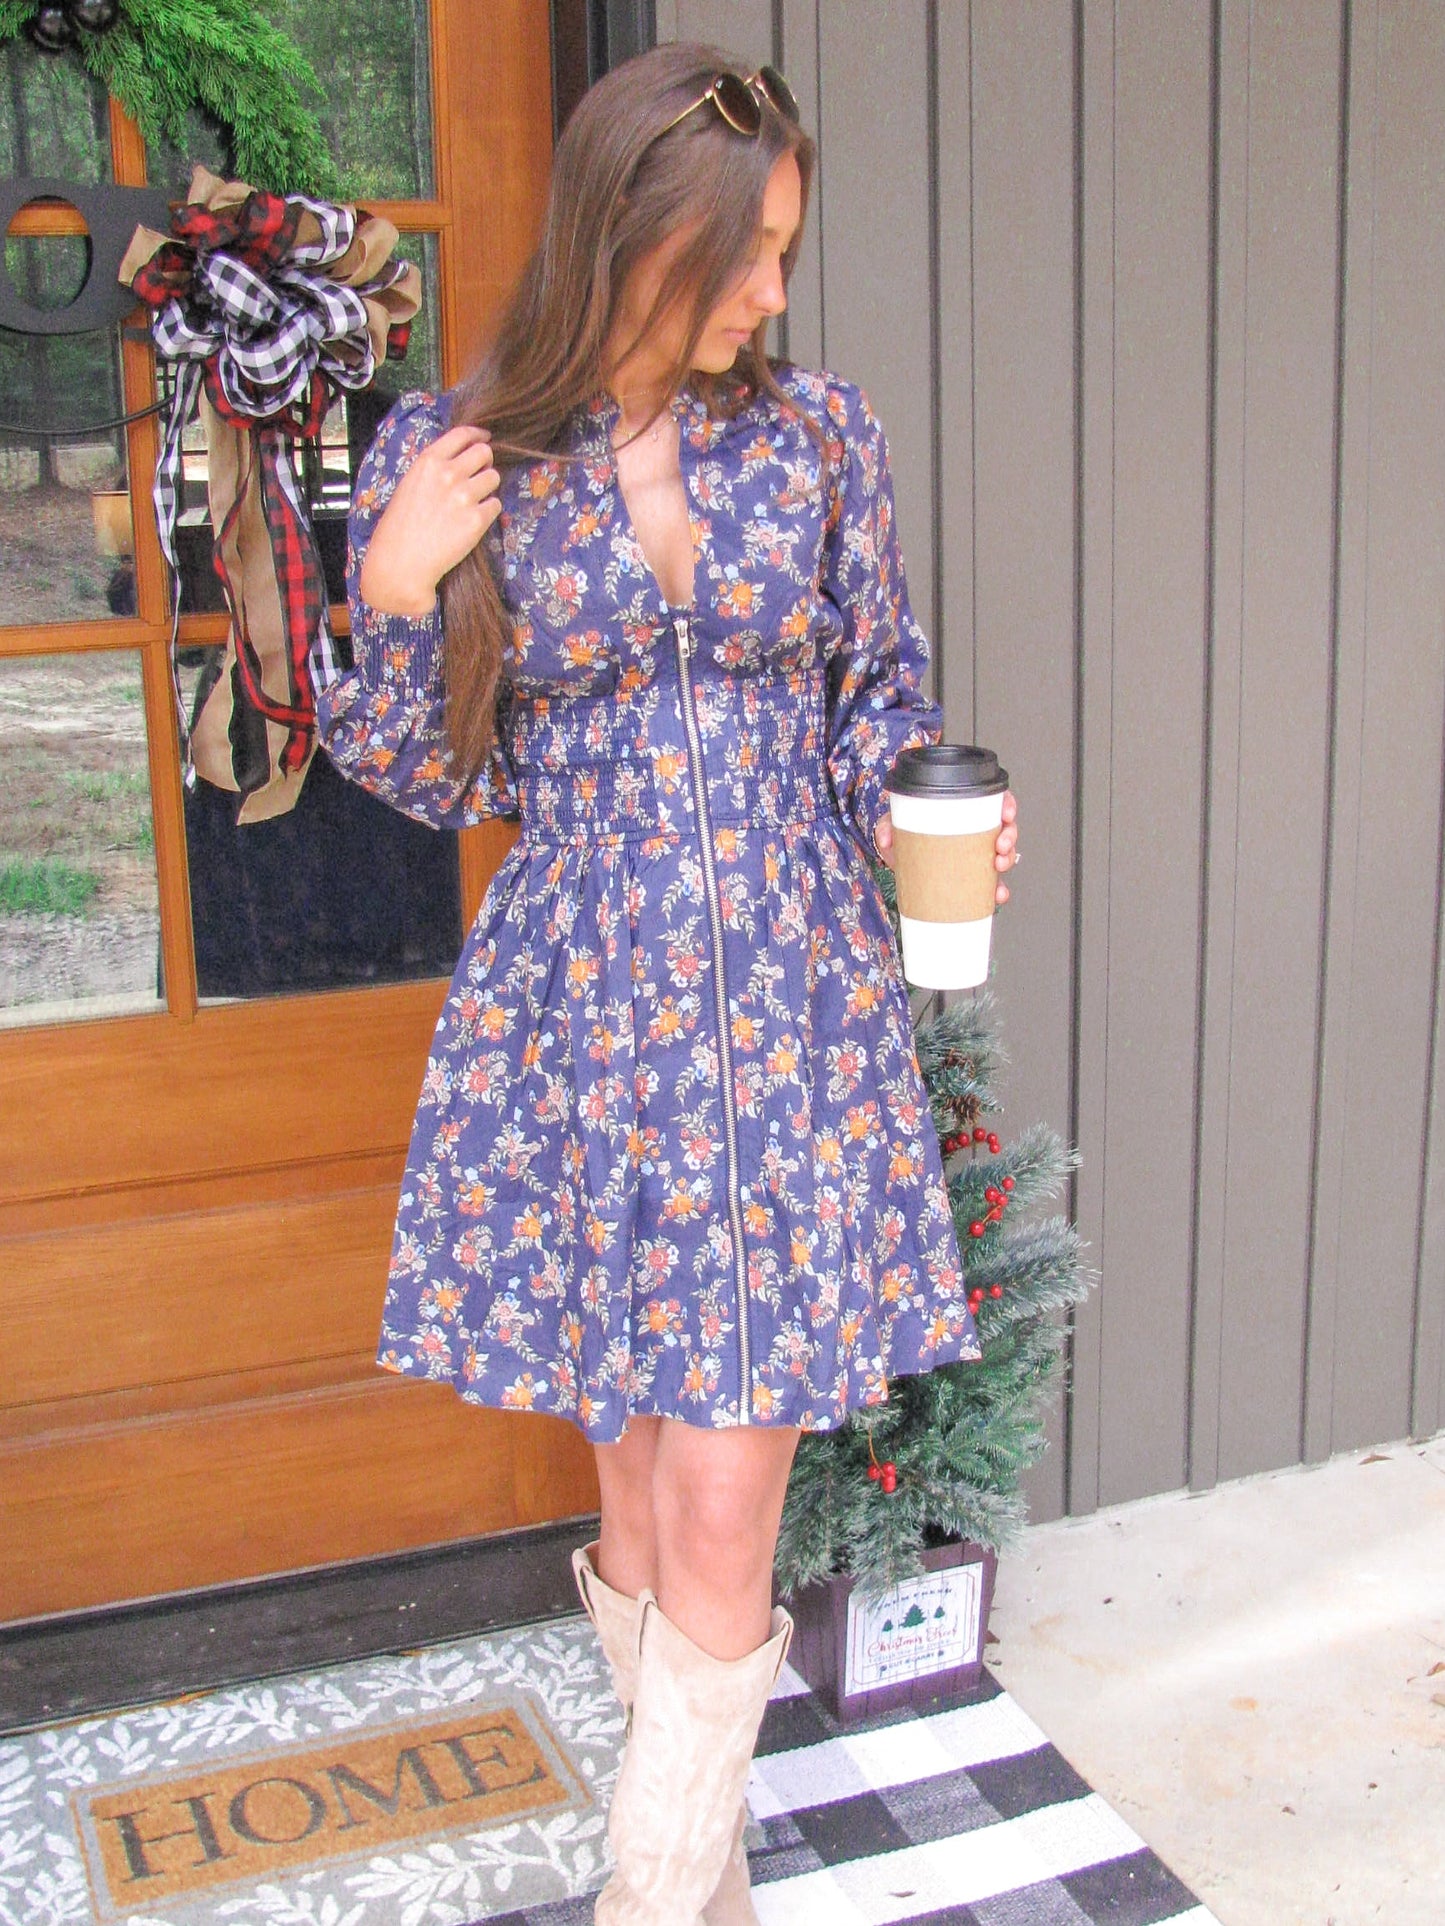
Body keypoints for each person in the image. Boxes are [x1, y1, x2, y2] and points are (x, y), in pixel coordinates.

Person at [317, 41, 1020, 1924]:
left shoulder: (817, 440)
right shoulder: (457, 456)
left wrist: (925, 818)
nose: (777, 290)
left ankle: (650, 1900)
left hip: (793, 1024)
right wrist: (390, 592)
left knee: (720, 1496)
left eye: (789, 247)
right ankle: (700, 1887)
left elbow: (882, 699)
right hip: (583, 1025)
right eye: (749, 253)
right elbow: (436, 777)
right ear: (637, 235)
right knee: (635, 1484)